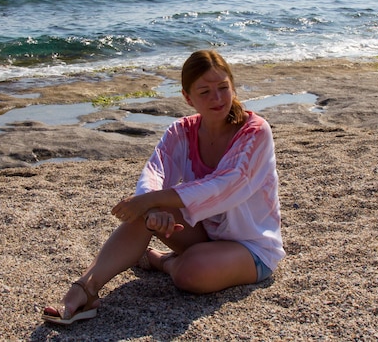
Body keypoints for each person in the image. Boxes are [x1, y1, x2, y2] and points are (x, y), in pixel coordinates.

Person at [42, 50, 285, 325]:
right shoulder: (181, 130)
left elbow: (225, 186)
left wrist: (150, 202)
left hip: (251, 247)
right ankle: (85, 288)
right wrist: (150, 205)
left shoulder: (255, 131)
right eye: (204, 92)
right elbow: (155, 170)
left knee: (189, 273)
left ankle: (163, 262)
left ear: (233, 86)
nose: (217, 99)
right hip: (204, 233)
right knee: (146, 207)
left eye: (223, 88)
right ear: (187, 97)